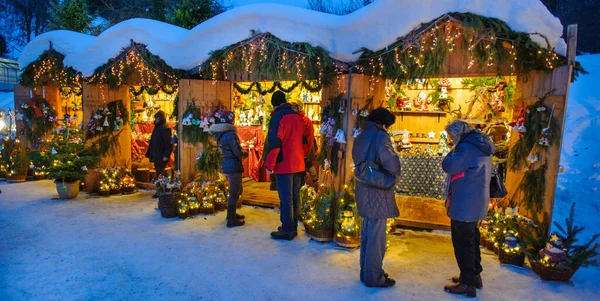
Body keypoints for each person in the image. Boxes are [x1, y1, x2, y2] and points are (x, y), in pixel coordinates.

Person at [442, 120, 495, 298]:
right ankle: (473, 276)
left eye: (451, 137)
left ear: (457, 134)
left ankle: (467, 284)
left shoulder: (466, 147)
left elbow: (448, 165)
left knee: (463, 242)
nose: (450, 141)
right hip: (475, 199)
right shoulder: (480, 144)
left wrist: (451, 152)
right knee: (472, 239)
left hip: (466, 201)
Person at [352, 107, 401, 288]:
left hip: (363, 187)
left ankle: (367, 272)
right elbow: (391, 162)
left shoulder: (361, 135)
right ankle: (374, 277)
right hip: (377, 190)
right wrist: (393, 175)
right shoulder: (380, 137)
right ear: (383, 123)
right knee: (376, 237)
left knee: (367, 232)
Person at [265, 91, 308, 240]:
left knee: (286, 198)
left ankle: (287, 229)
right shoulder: (298, 116)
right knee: (295, 197)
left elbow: (275, 143)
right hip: (299, 163)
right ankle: (293, 226)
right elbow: (305, 141)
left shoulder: (278, 117)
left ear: (274, 104)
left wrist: (269, 165)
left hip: (284, 164)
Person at [210, 110, 246, 228]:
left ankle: (232, 214)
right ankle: (231, 219)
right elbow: (236, 151)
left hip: (227, 163)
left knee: (235, 190)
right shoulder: (230, 134)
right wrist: (243, 153)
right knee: (235, 192)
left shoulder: (221, 133)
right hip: (233, 165)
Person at [288, 98, 318, 186]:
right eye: (291, 107)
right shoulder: (292, 119)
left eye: (294, 107)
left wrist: (306, 151)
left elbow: (309, 136)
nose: (292, 109)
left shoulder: (305, 120)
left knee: (307, 164)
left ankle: (314, 182)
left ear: (298, 108)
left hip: (305, 147)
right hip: (297, 148)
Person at [146, 110, 173, 197]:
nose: (155, 120)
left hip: (161, 154)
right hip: (156, 153)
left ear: (160, 118)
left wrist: (166, 155)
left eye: (156, 118)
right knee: (158, 172)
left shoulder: (165, 128)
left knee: (160, 173)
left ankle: (161, 190)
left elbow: (168, 143)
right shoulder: (157, 127)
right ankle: (160, 190)